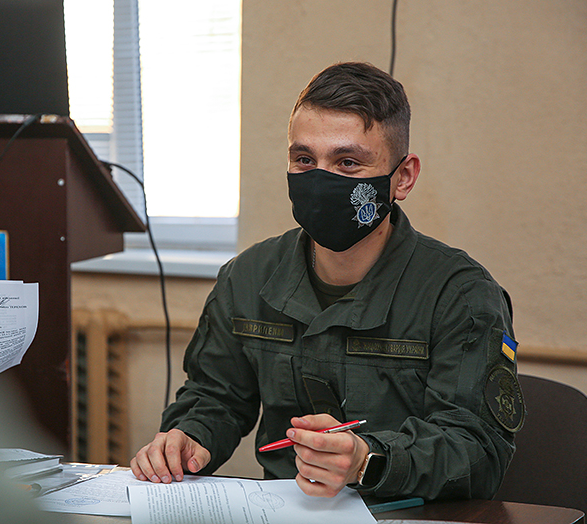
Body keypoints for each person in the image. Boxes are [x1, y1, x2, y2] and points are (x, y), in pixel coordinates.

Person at [131, 62, 523, 501]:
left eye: (348, 162)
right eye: (304, 160)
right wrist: (188, 437)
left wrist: (367, 460)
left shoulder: (460, 295)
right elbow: (214, 397)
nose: (320, 180)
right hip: (287, 509)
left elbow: (477, 451)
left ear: (403, 177)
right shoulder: (248, 277)